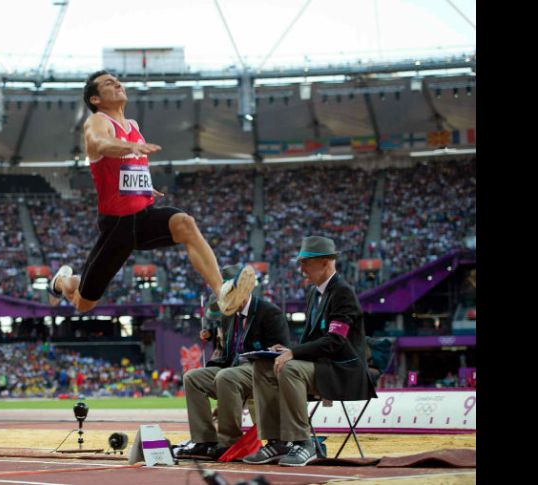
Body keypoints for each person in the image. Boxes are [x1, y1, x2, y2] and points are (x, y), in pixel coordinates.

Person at [47, 70, 254, 316]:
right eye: (108, 84)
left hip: (144, 216)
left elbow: (129, 169)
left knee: (185, 224)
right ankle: (62, 281)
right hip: (117, 226)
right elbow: (101, 144)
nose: (117, 85)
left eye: (117, 81)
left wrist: (144, 185)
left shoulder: (132, 125)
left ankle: (222, 292)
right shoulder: (98, 121)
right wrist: (130, 146)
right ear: (95, 99)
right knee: (83, 304)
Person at [245, 236, 377, 466]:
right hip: (321, 366)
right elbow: (314, 340)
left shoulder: (342, 293)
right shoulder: (314, 294)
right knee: (263, 366)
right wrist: (288, 350)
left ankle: (303, 441)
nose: (301, 268)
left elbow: (335, 341)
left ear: (325, 262)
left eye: (306, 262)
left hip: (342, 370)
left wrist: (293, 354)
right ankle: (277, 441)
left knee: (291, 368)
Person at [177, 264, 291, 461]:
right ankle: (205, 440)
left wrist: (264, 353)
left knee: (226, 376)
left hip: (259, 370)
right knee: (192, 377)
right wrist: (212, 350)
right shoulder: (229, 317)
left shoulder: (269, 312)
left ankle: (229, 441)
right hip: (231, 368)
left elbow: (281, 352)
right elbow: (227, 351)